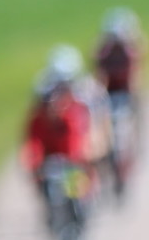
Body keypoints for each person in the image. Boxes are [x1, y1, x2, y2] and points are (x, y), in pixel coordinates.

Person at [20, 47, 99, 204]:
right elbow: (33, 145)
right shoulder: (38, 120)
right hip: (50, 159)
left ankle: (86, 195)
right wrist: (33, 163)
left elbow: (77, 146)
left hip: (70, 158)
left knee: (84, 162)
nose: (53, 106)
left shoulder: (71, 115)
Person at [93, 8, 149, 182]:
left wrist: (134, 95)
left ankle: (138, 142)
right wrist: (99, 94)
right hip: (110, 90)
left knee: (137, 111)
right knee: (101, 118)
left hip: (126, 89)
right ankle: (103, 153)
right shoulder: (103, 52)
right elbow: (99, 75)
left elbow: (135, 77)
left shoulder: (131, 51)